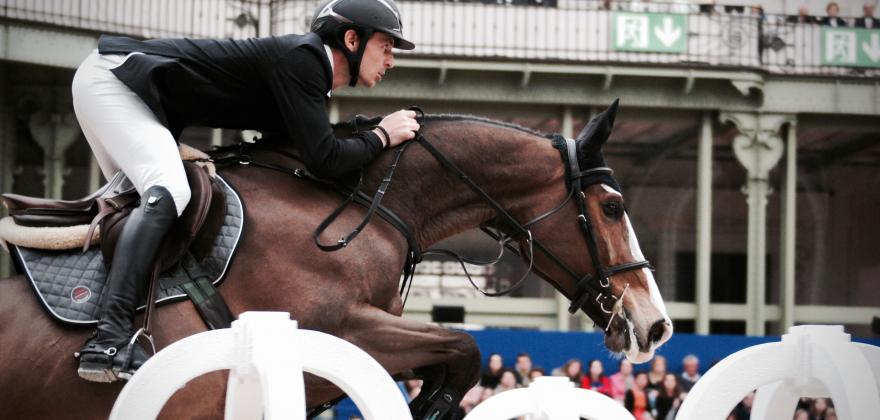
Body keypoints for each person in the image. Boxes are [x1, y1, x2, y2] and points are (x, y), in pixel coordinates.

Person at [70, 0, 420, 383]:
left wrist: (367, 138)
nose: (390, 61)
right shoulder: (304, 60)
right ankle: (108, 341)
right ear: (352, 39)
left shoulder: (309, 76)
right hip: (116, 82)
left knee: (152, 209)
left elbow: (307, 155)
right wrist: (382, 135)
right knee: (170, 189)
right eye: (386, 47)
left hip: (128, 91)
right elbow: (325, 159)